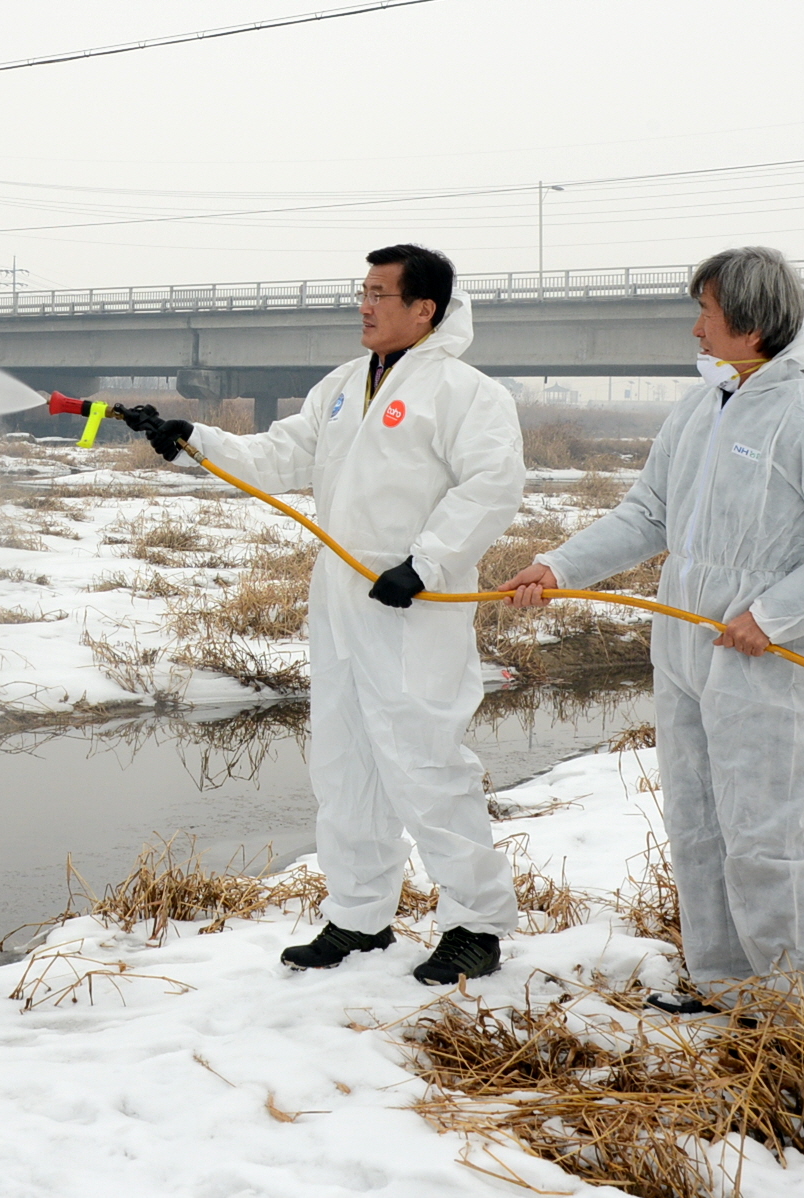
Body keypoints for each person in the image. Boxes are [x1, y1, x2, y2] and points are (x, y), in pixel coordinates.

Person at [501, 246, 804, 1009]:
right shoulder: (699, 408)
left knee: (765, 833)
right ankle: (725, 987)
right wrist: (559, 566)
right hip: (685, 646)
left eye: (707, 313)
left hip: (768, 657)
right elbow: (649, 515)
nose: (695, 329)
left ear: (749, 325)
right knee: (698, 820)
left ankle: (793, 1011)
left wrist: (771, 615)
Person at [125, 244, 526, 984]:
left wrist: (427, 562)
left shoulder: (465, 393)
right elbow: (283, 457)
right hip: (341, 603)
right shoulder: (343, 387)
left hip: (414, 607)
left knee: (426, 762)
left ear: (423, 309)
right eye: (362, 292)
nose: (365, 306)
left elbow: (493, 486)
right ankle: (359, 917)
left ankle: (475, 923)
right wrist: (193, 442)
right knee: (345, 764)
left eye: (379, 294)